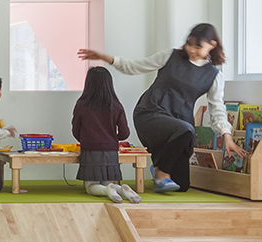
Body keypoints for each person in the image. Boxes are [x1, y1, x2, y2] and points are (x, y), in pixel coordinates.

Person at [77, 23, 243, 194]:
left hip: (179, 123)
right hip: (151, 112)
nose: (192, 50)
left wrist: (227, 136)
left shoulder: (214, 76)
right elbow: (135, 66)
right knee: (186, 131)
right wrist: (105, 57)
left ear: (212, 45)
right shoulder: (171, 56)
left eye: (198, 46)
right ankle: (161, 172)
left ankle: (159, 166)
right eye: (189, 44)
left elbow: (217, 108)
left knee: (182, 185)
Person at [71, 65, 139, 204]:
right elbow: (125, 133)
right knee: (108, 182)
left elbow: (76, 130)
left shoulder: (81, 104)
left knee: (91, 187)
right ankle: (122, 189)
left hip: (90, 151)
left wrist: (86, 140)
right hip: (111, 152)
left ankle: (108, 190)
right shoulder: (116, 105)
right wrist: (111, 139)